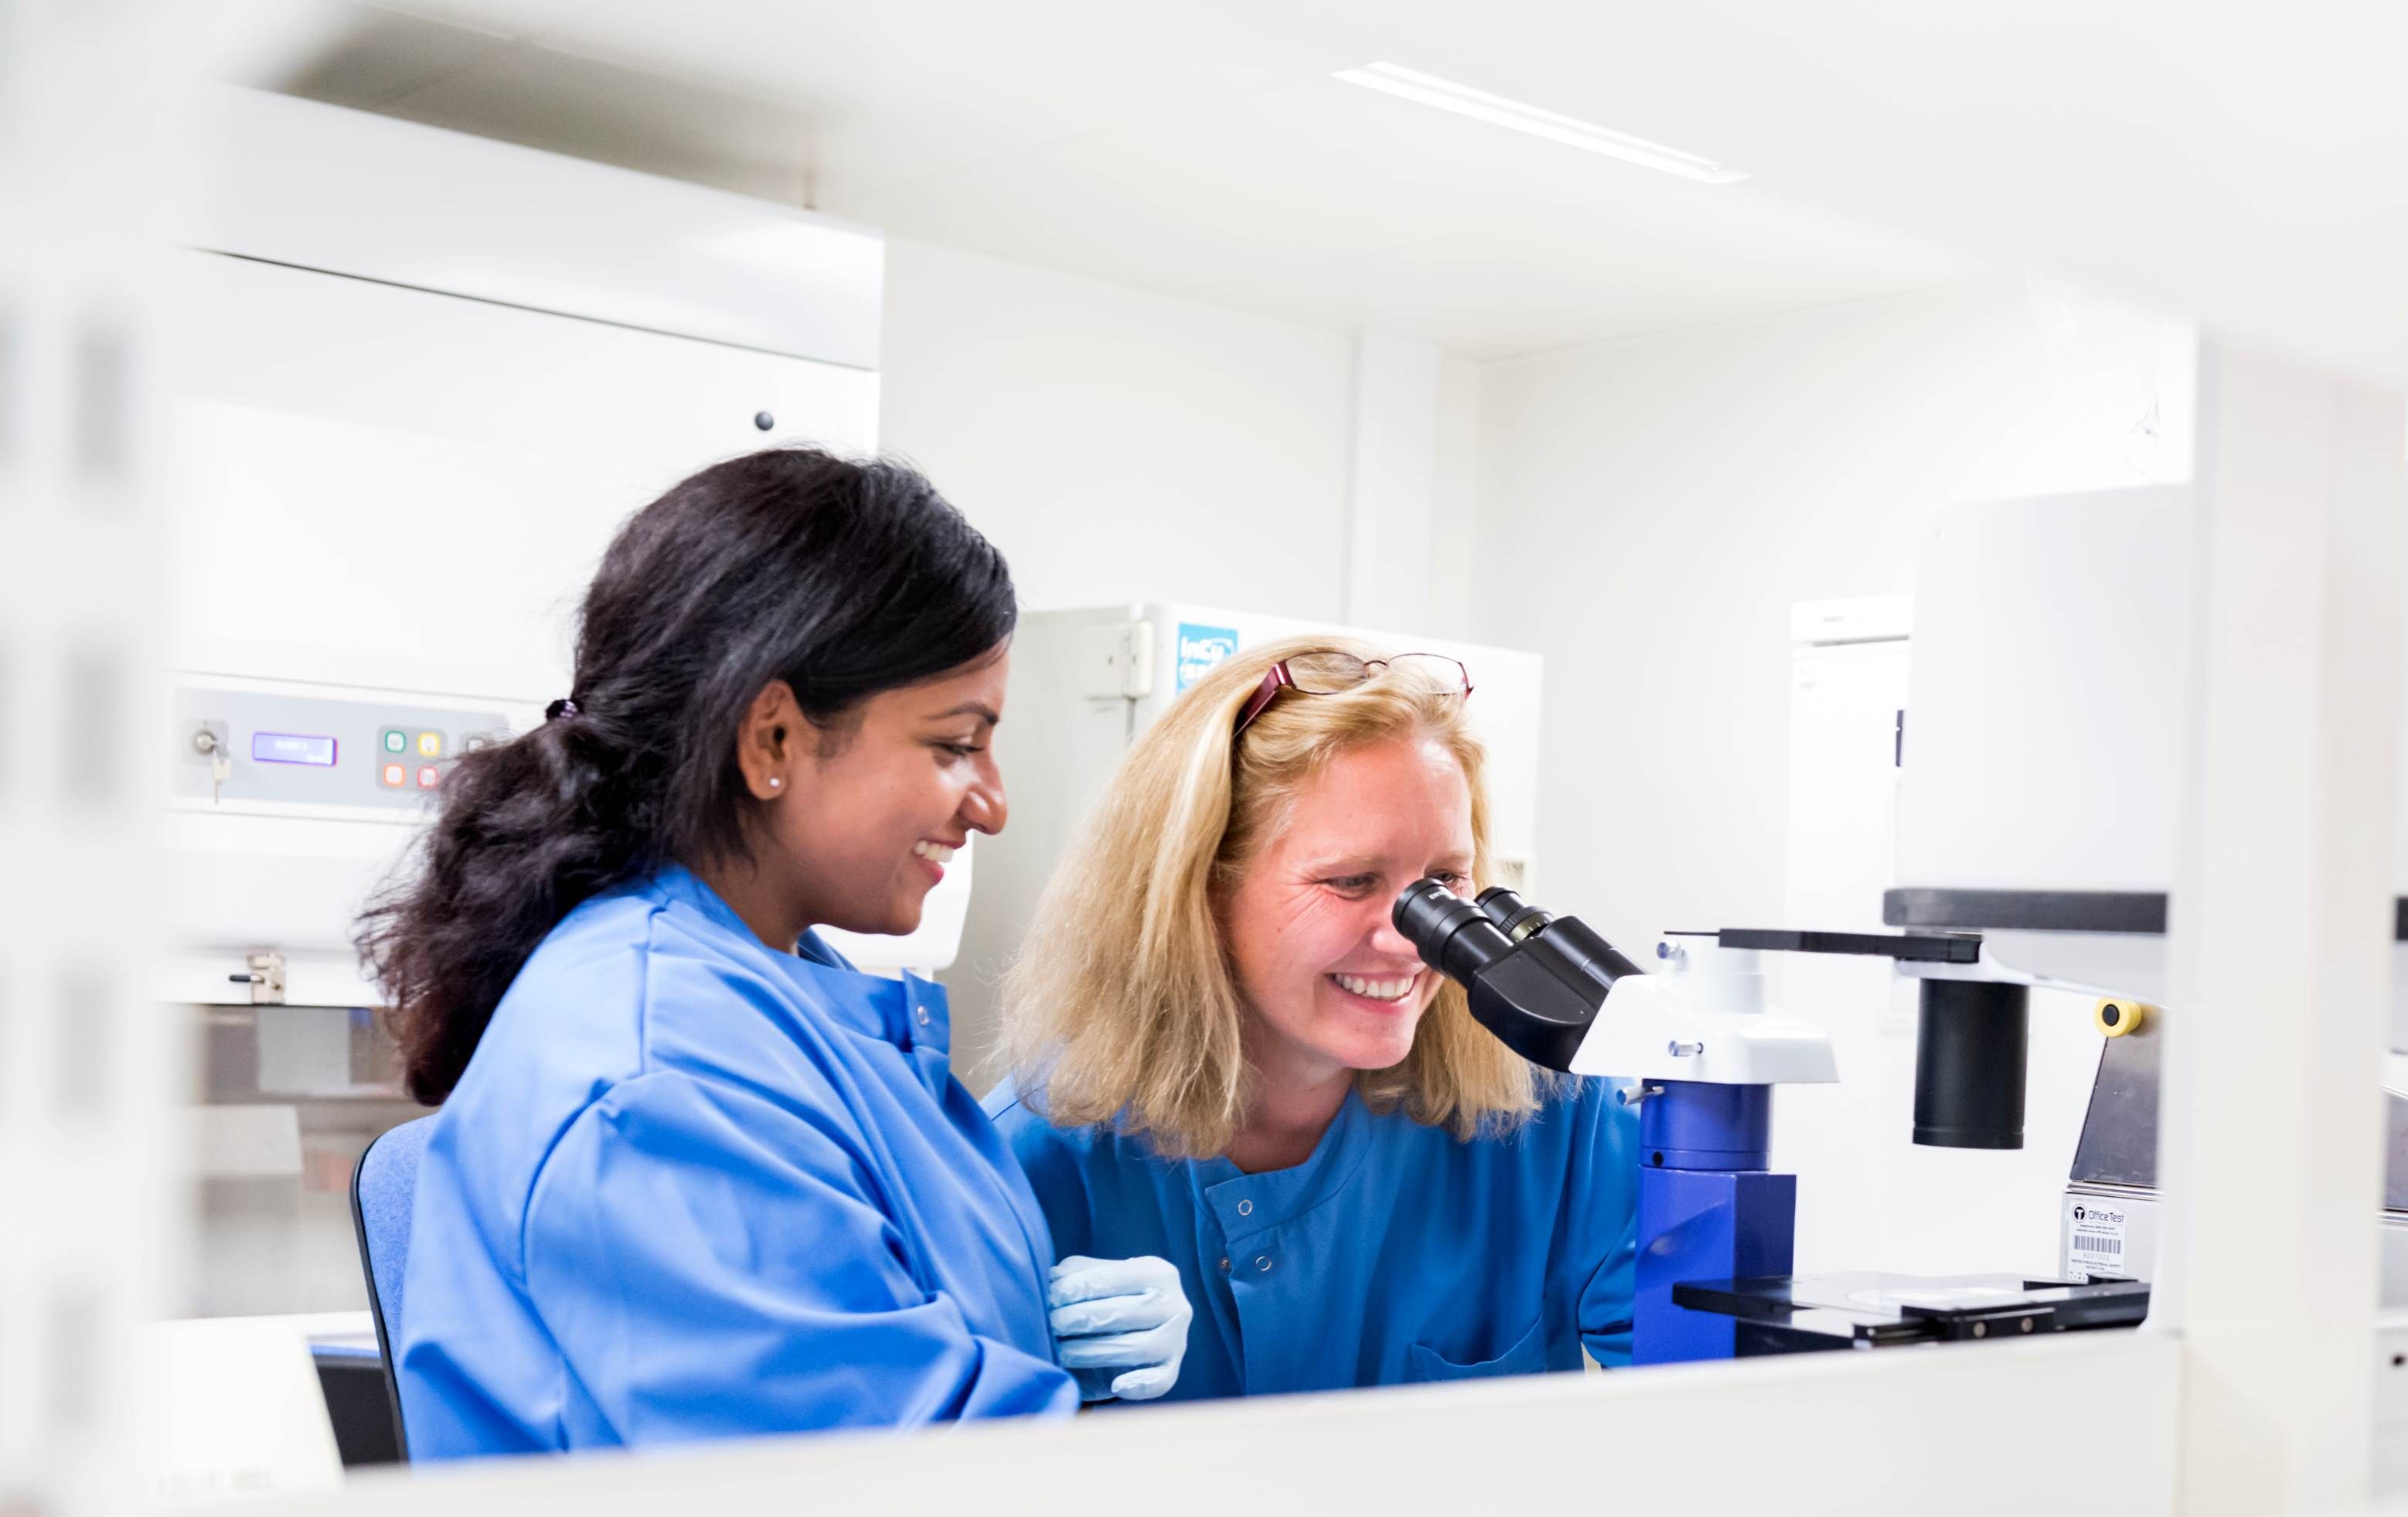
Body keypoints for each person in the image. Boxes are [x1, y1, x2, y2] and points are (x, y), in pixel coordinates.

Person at [365, 449, 1189, 1457]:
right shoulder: (659, 1075)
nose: (994, 803)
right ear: (772, 741)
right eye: (953, 744)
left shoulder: (784, 985)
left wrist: (1038, 1341)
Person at [985, 639, 1636, 1401]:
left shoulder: (1551, 1116)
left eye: (1442, 882)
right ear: (1200, 889)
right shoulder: (1033, 1155)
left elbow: (1712, 1398)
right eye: (1351, 880)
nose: (1409, 939)